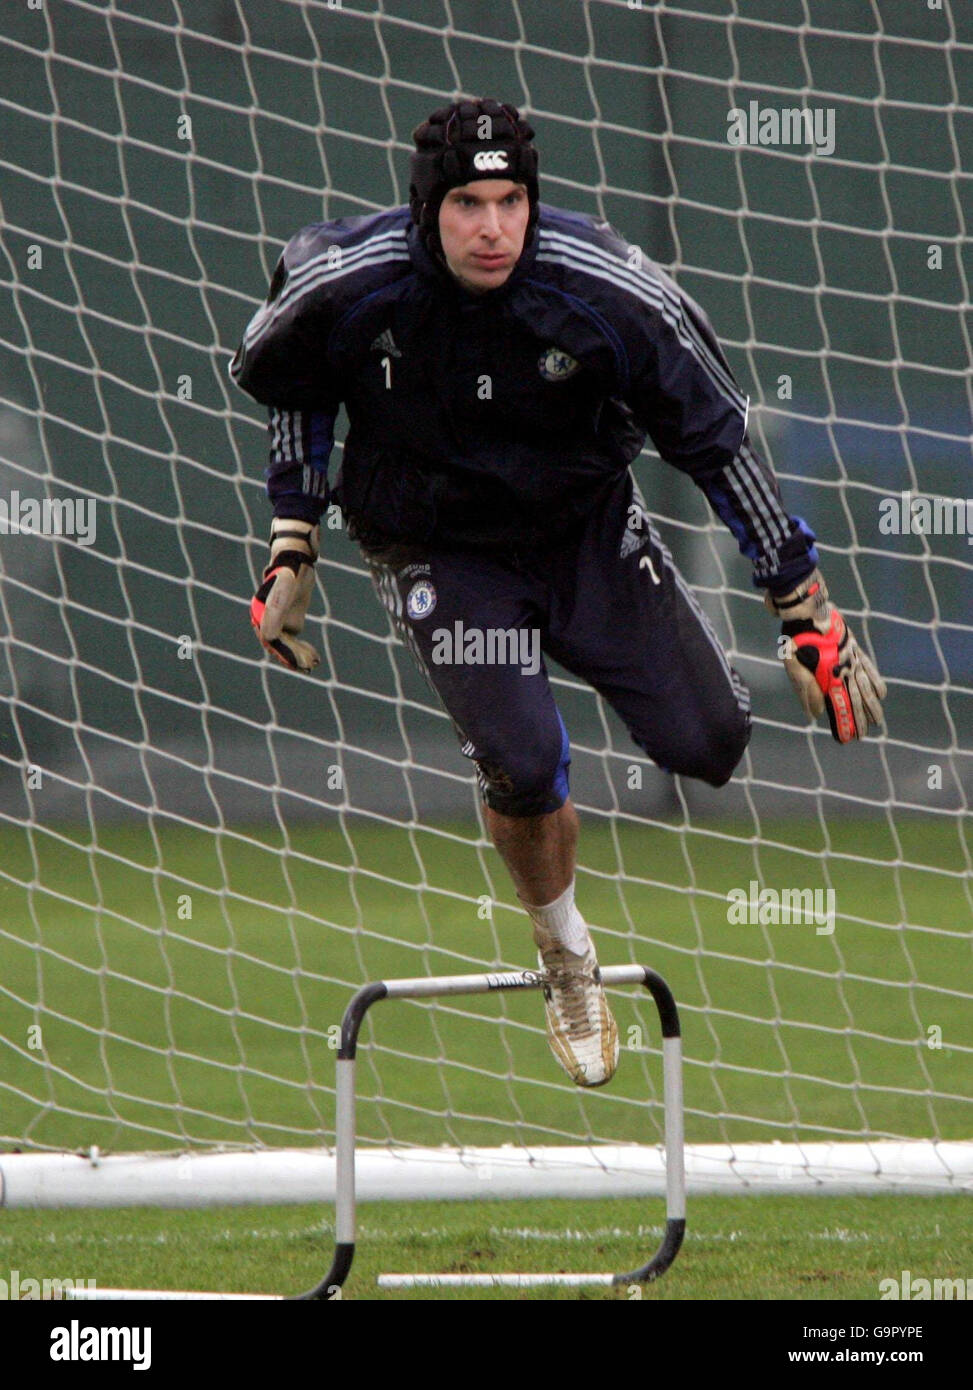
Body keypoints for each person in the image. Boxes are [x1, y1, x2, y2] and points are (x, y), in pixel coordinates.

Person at [230, 98, 886, 1089]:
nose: (492, 226)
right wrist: (293, 540)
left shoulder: (608, 286)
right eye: (466, 203)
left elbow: (716, 435)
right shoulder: (350, 275)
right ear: (426, 211)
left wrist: (806, 610)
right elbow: (291, 375)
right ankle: (565, 953)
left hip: (581, 529)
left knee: (709, 741)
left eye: (510, 200)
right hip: (437, 549)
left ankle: (633, 656)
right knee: (525, 761)